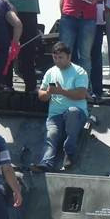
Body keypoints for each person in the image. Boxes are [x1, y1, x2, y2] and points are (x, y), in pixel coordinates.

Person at [34, 42, 88, 172]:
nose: (57, 60)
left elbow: (81, 94)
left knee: (72, 112)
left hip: (76, 113)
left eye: (61, 57)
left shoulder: (79, 72)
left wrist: (62, 91)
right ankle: (46, 162)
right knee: (51, 135)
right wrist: (48, 93)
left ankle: (69, 152)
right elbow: (41, 95)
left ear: (69, 57)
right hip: (55, 115)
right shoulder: (50, 72)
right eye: (55, 57)